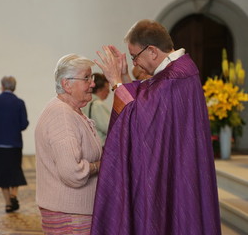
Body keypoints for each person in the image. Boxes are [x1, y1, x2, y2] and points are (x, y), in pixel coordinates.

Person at [91, 19, 221, 234]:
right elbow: (144, 102)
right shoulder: (179, 72)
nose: (135, 64)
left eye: (135, 56)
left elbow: (139, 118)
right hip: (180, 165)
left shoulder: (173, 79)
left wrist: (115, 81)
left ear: (151, 50)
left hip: (176, 170)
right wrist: (123, 78)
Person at [35, 54, 103, 234]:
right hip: (70, 215)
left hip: (74, 212)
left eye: (92, 77)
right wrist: (98, 166)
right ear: (67, 84)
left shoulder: (71, 111)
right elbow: (72, 173)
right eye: (86, 78)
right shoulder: (62, 115)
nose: (93, 84)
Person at [0, 76, 29, 213]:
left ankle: (8, 202)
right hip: (14, 143)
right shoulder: (19, 102)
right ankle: (14, 195)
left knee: (1, 173)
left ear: (2, 86)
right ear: (14, 87)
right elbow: (24, 124)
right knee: (15, 171)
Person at [82, 73, 110, 145]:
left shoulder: (85, 103)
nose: (109, 92)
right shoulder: (97, 104)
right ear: (100, 89)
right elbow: (109, 128)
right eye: (107, 90)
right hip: (101, 146)